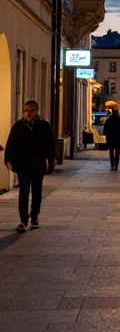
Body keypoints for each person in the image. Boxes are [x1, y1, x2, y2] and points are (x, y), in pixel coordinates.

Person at [3, 100, 57, 233]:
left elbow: (51, 145)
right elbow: (10, 144)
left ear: (36, 111)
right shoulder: (18, 126)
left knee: (37, 192)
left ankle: (34, 217)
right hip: (23, 165)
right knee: (24, 191)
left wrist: (50, 161)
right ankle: (23, 220)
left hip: (38, 164)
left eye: (31, 110)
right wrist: (8, 160)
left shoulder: (44, 126)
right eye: (26, 110)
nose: (28, 112)